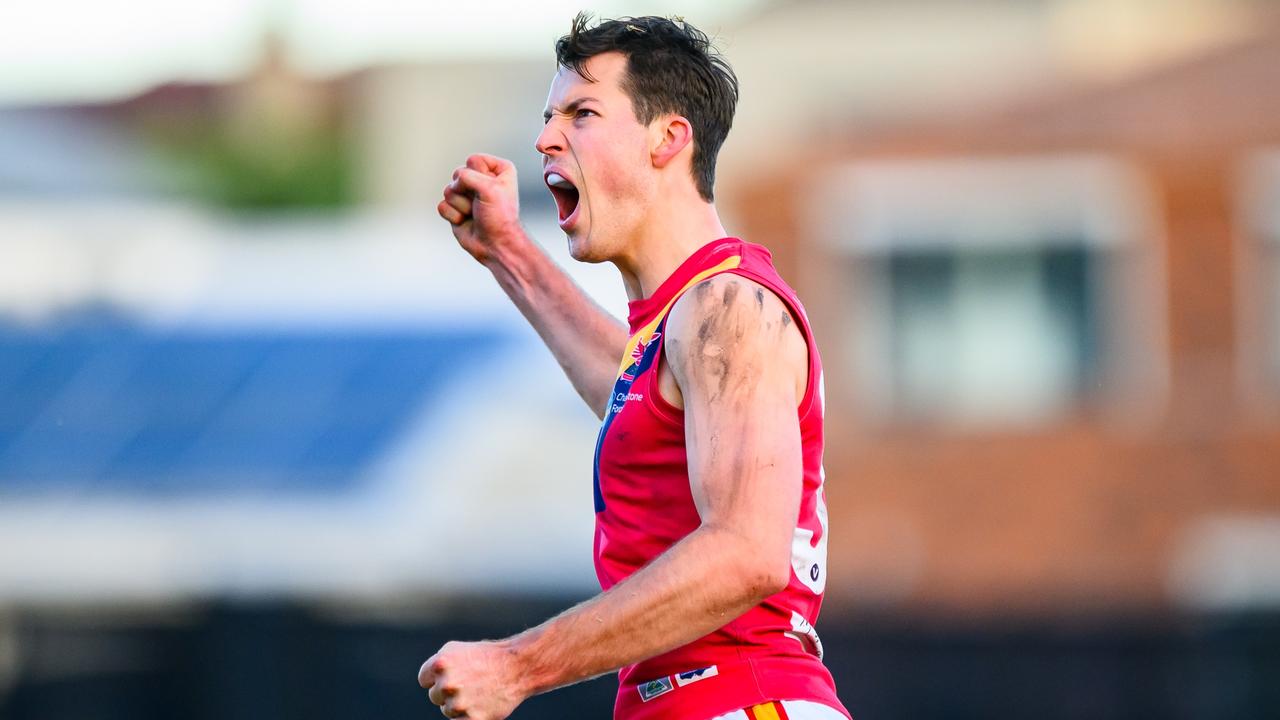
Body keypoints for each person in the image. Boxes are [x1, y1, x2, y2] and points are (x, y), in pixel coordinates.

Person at [420, 13, 849, 720]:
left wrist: (516, 666)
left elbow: (747, 553)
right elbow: (630, 387)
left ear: (668, 139)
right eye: (549, 115)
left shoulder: (728, 306)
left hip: (743, 701)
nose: (545, 138)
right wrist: (508, 251)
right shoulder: (683, 319)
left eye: (581, 113)